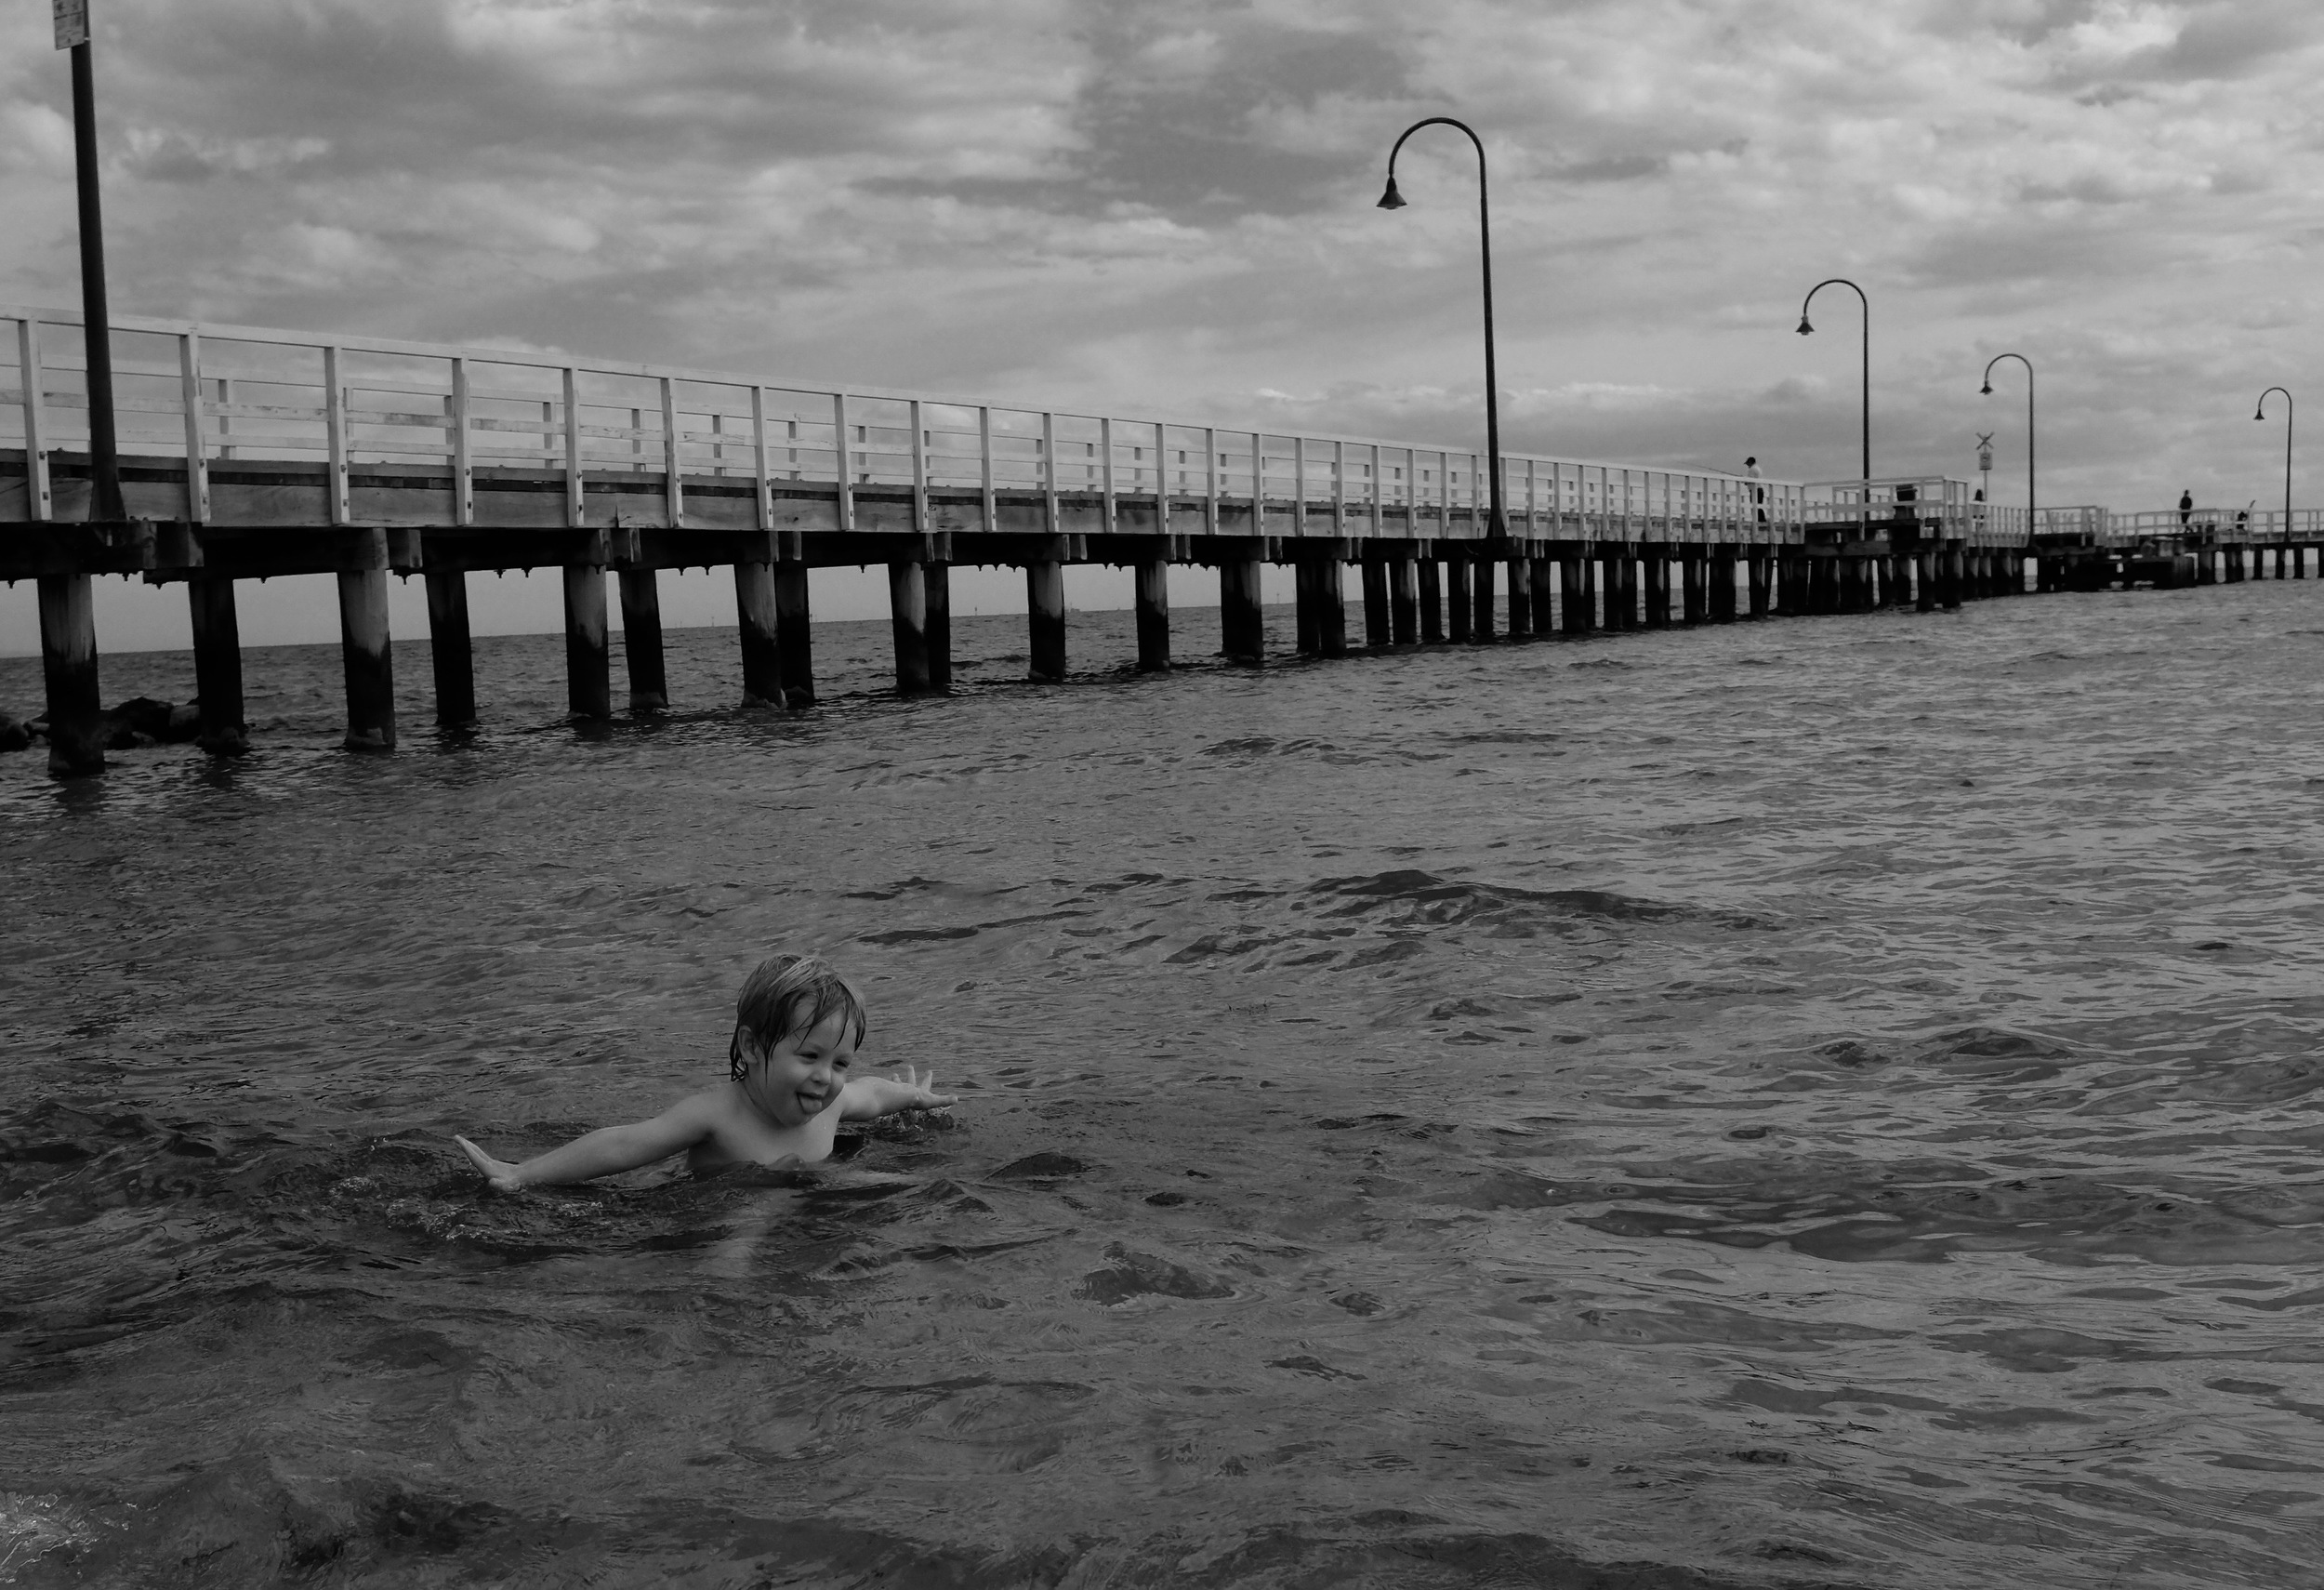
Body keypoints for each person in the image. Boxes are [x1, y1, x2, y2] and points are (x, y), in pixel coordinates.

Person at [455, 953, 957, 1190]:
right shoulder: (718, 1114)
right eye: (809, 1057)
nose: (826, 1077)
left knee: (910, 1187)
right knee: (735, 1254)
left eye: (839, 1062)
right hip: (727, 1207)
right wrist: (523, 1174)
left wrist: (912, 1097)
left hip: (809, 1195)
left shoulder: (834, 1104)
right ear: (752, 1046)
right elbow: (626, 1144)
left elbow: (872, 1095)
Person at [1745, 456, 1765, 523]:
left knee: (1754, 506)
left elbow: (1750, 480)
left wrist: (1745, 481)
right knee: (1758, 505)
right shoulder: (1758, 468)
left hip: (1755, 490)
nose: (1747, 465)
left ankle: (1759, 521)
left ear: (1750, 462)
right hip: (1760, 489)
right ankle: (1761, 520)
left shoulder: (1752, 469)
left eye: (1748, 463)